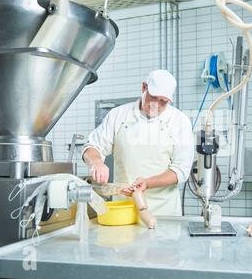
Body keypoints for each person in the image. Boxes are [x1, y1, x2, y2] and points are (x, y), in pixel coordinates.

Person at [82, 69, 194, 216]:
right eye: (154, 98)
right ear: (144, 87)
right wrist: (96, 162)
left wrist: (147, 183)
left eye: (164, 101)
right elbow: (92, 147)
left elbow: (180, 171)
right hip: (123, 211)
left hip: (164, 214)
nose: (157, 105)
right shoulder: (118, 115)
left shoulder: (179, 121)